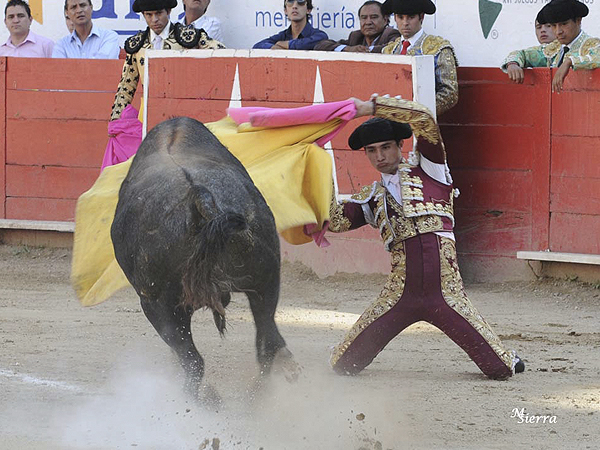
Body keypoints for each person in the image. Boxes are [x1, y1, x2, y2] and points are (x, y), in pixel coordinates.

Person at [327, 94, 525, 380]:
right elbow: (334, 221)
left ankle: (508, 357)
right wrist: (315, 165)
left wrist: (371, 107)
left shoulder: (431, 169)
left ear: (400, 146)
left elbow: (423, 118)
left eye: (385, 147)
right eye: (371, 150)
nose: (379, 156)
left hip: (445, 294)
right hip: (400, 295)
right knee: (343, 364)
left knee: (499, 369)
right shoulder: (371, 199)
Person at [110, 0, 225, 122]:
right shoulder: (137, 44)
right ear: (143, 15)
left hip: (183, 112)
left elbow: (221, 52)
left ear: (169, 11)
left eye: (159, 13)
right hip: (149, 112)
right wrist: (115, 120)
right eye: (149, 15)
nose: (154, 19)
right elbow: (126, 87)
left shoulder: (188, 36)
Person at [381, 0, 458, 116]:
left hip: (421, 123)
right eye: (400, 17)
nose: (405, 23)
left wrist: (417, 113)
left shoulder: (438, 48)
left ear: (421, 17)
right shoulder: (388, 50)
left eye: (411, 17)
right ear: (395, 18)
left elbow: (450, 94)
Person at [314, 1, 399, 53]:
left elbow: (393, 48)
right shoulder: (356, 36)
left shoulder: (390, 33)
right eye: (364, 18)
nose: (368, 22)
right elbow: (321, 46)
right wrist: (348, 49)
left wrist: (365, 50)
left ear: (385, 20)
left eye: (374, 17)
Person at [501, 9, 558, 84]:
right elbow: (521, 54)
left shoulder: (568, 46)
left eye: (548, 26)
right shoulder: (540, 52)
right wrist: (512, 63)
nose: (543, 30)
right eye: (539, 27)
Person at [52, 0, 119, 59]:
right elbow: (59, 70)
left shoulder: (109, 37)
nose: (79, 10)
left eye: (83, 5)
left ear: (91, 8)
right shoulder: (61, 45)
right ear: (67, 13)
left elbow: (103, 66)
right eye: (73, 7)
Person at [253, 0, 328, 50]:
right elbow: (257, 46)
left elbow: (322, 39)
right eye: (290, 1)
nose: (294, 6)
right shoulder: (283, 36)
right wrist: (274, 48)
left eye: (300, 2)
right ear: (285, 11)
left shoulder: (319, 35)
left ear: (308, 10)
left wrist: (287, 45)